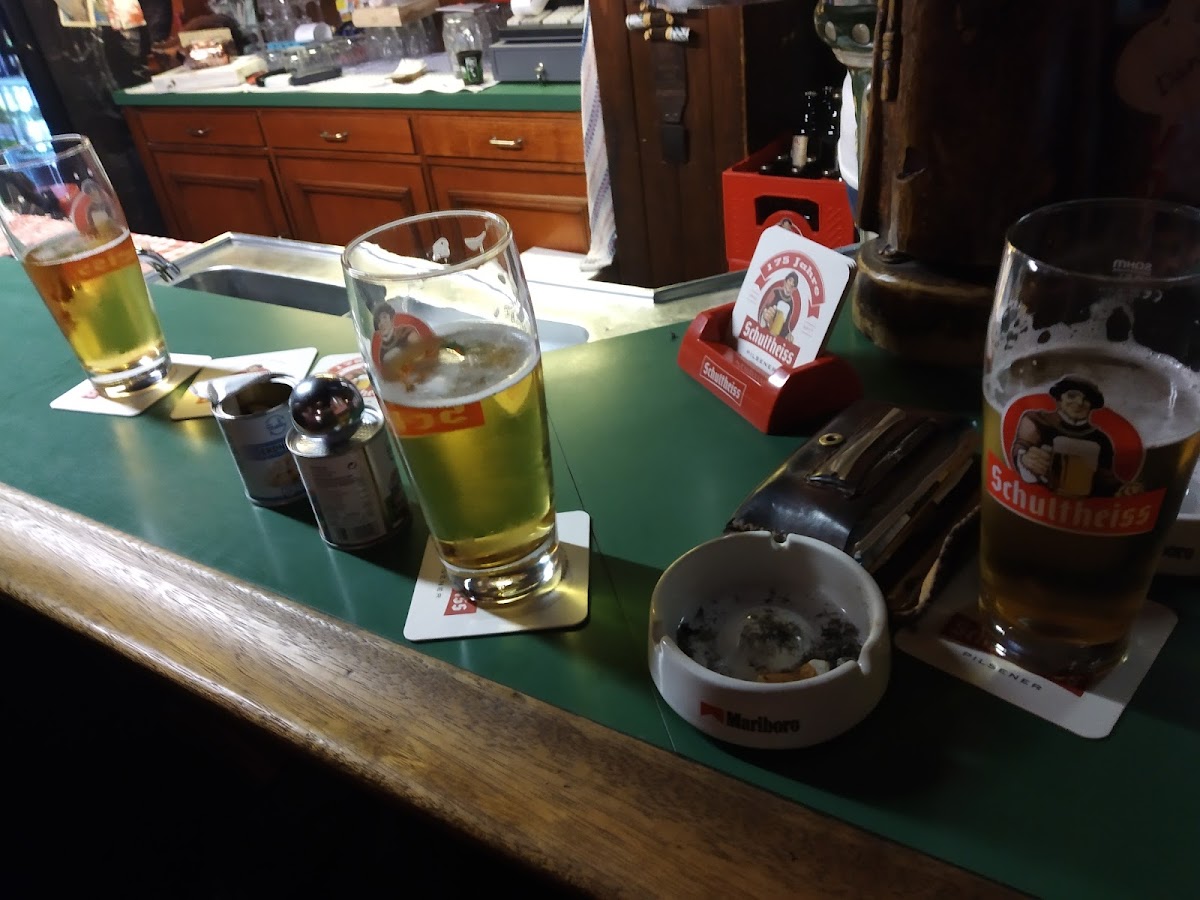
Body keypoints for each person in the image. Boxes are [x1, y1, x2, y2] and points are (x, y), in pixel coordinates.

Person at [1011, 377, 1136, 497]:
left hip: (1083, 507)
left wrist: (1123, 490)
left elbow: (1105, 478)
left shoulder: (1101, 439)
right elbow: (1021, 447)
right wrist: (1025, 459)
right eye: (1072, 396)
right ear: (1059, 399)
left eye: (1086, 399)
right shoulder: (1037, 421)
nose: (1079, 403)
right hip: (1040, 500)